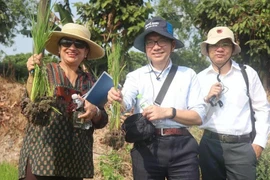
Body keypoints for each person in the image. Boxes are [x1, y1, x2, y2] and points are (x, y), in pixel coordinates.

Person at [107, 16, 206, 180]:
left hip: (183, 149)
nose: (156, 47)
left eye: (162, 41)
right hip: (146, 148)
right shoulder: (135, 76)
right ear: (145, 48)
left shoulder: (188, 74)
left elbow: (198, 117)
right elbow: (125, 102)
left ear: (172, 45)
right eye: (150, 42)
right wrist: (116, 99)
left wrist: (168, 112)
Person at [19, 23, 108, 180]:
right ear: (59, 48)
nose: (72, 48)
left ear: (86, 52)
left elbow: (102, 120)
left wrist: (95, 112)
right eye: (66, 42)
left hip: (75, 161)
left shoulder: (91, 81)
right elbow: (28, 102)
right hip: (43, 156)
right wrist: (33, 73)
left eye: (79, 44)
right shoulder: (45, 72)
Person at [197, 26, 270, 180]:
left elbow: (262, 109)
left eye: (225, 44)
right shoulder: (199, 78)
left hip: (241, 147)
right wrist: (207, 98)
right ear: (208, 49)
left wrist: (259, 143)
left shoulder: (247, 73)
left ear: (232, 48)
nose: (220, 49)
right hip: (209, 145)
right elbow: (195, 115)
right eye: (215, 45)